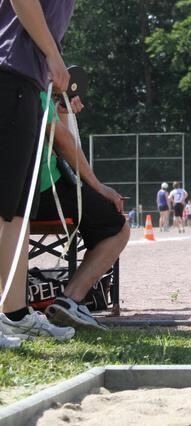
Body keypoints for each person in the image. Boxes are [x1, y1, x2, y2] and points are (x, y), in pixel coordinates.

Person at [0, 0, 114, 345]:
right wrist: (53, 57)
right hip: (11, 81)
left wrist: (53, 72)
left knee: (15, 211)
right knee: (5, 209)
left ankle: (14, 314)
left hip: (26, 84)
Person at [35, 92, 129, 331]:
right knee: (116, 226)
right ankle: (70, 300)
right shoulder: (32, 83)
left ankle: (13, 310)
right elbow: (62, 143)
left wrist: (61, 112)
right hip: (41, 191)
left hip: (12, 198)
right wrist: (98, 186)